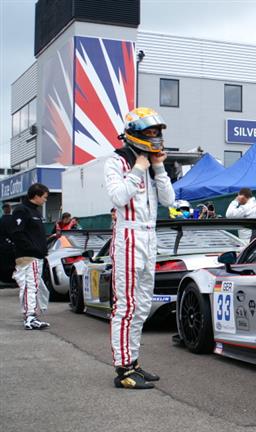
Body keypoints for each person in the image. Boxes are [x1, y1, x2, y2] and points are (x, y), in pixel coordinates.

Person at [104, 107, 175, 389]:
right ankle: (123, 369)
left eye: (158, 132)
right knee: (127, 306)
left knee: (143, 305)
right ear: (134, 133)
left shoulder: (153, 163)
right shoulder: (117, 160)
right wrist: (137, 170)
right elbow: (118, 196)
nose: (156, 137)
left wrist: (158, 167)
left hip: (150, 236)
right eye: (150, 132)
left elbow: (169, 200)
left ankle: (133, 361)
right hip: (128, 236)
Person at [8, 183, 50, 330]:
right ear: (36, 196)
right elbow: (17, 233)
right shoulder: (22, 210)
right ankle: (30, 317)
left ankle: (31, 315)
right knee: (30, 285)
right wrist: (33, 249)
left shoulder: (35, 212)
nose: (46, 200)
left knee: (35, 286)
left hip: (36, 256)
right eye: (44, 197)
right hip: (28, 257)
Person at [0, 203, 16, 283]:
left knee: (4, 264)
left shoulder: (1, 220)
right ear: (10, 209)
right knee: (13, 264)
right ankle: (13, 280)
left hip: (3, 246)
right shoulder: (13, 220)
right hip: (13, 246)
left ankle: (5, 280)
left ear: (3, 210)